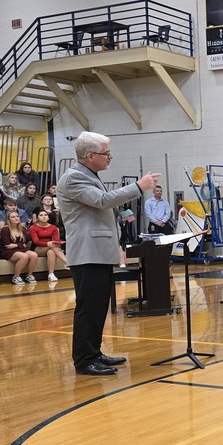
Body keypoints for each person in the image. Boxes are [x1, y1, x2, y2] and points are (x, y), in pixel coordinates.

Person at [58, 132, 159, 376]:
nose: (110, 157)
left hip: (98, 252)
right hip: (87, 253)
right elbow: (102, 200)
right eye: (106, 153)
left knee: (98, 306)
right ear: (90, 155)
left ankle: (94, 351)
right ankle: (84, 359)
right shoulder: (73, 178)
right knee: (88, 307)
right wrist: (137, 187)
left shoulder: (88, 175)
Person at [0, 210, 39, 285]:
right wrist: (20, 245)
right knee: (24, 256)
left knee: (34, 255)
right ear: (8, 219)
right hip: (7, 251)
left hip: (20, 249)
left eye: (17, 216)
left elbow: (26, 242)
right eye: (13, 217)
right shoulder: (5, 229)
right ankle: (16, 277)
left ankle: (29, 275)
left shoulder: (22, 228)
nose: (16, 218)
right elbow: (7, 245)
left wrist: (17, 245)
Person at [30, 209, 69, 281]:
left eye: (45, 215)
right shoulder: (33, 227)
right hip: (38, 248)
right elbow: (36, 241)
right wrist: (48, 243)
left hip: (51, 247)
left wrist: (53, 244)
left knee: (51, 251)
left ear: (48, 217)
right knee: (53, 247)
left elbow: (55, 240)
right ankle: (67, 262)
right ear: (37, 218)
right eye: (41, 215)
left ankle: (51, 274)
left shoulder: (53, 227)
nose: (44, 217)